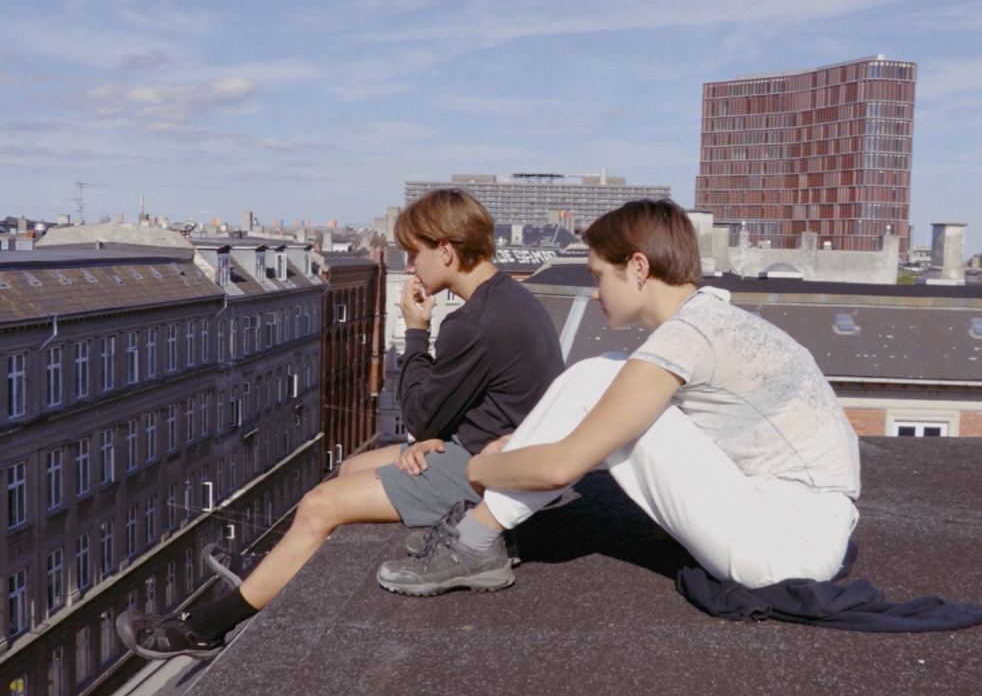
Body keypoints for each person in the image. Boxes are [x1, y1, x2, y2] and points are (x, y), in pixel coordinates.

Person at [117, 189, 564, 658]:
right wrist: (434, 435)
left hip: (489, 470)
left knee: (319, 505)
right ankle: (278, 568)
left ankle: (204, 628)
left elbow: (420, 415)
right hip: (497, 447)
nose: (411, 264)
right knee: (350, 469)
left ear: (447, 251)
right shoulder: (510, 298)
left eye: (415, 253)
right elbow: (462, 408)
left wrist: (415, 330)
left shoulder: (473, 321)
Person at [377, 198, 861, 597]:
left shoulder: (687, 338)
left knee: (598, 377)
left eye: (598, 276)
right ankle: (477, 534)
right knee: (609, 373)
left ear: (638, 268)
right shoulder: (710, 319)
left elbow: (559, 469)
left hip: (787, 544)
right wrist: (520, 446)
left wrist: (478, 469)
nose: (594, 293)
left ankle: (473, 540)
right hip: (798, 525)